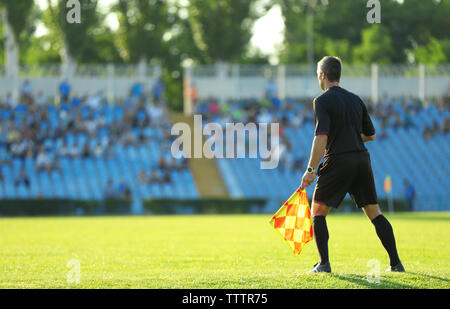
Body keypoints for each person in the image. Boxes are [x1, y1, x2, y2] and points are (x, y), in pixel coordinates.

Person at [300, 56, 404, 273]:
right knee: (374, 212)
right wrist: (349, 136)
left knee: (317, 211)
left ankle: (324, 264)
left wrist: (310, 170)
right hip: (361, 158)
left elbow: (321, 137)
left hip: (338, 159)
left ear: (323, 75)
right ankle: (396, 263)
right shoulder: (356, 100)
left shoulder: (321, 101)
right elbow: (371, 135)